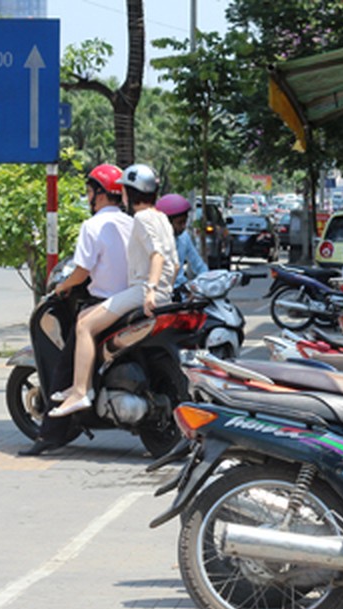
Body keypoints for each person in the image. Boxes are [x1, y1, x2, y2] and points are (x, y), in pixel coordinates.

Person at [19, 162, 134, 456]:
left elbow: (82, 273)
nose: (88, 196)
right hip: (132, 301)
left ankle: (51, 433)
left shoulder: (92, 226)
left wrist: (62, 287)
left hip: (103, 304)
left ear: (99, 193)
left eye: (89, 191)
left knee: (64, 367)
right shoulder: (131, 223)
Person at [49, 163, 178, 418]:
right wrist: (163, 288)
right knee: (85, 318)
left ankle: (80, 392)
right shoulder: (160, 217)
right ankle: (78, 386)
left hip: (141, 291)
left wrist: (150, 289)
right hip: (161, 292)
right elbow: (172, 262)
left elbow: (157, 255)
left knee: (84, 326)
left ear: (129, 193)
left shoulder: (140, 218)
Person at [156, 193, 208, 295]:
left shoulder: (184, 237)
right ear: (166, 222)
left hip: (182, 292)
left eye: (185, 222)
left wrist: (208, 281)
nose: (184, 226)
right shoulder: (153, 241)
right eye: (180, 223)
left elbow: (198, 265)